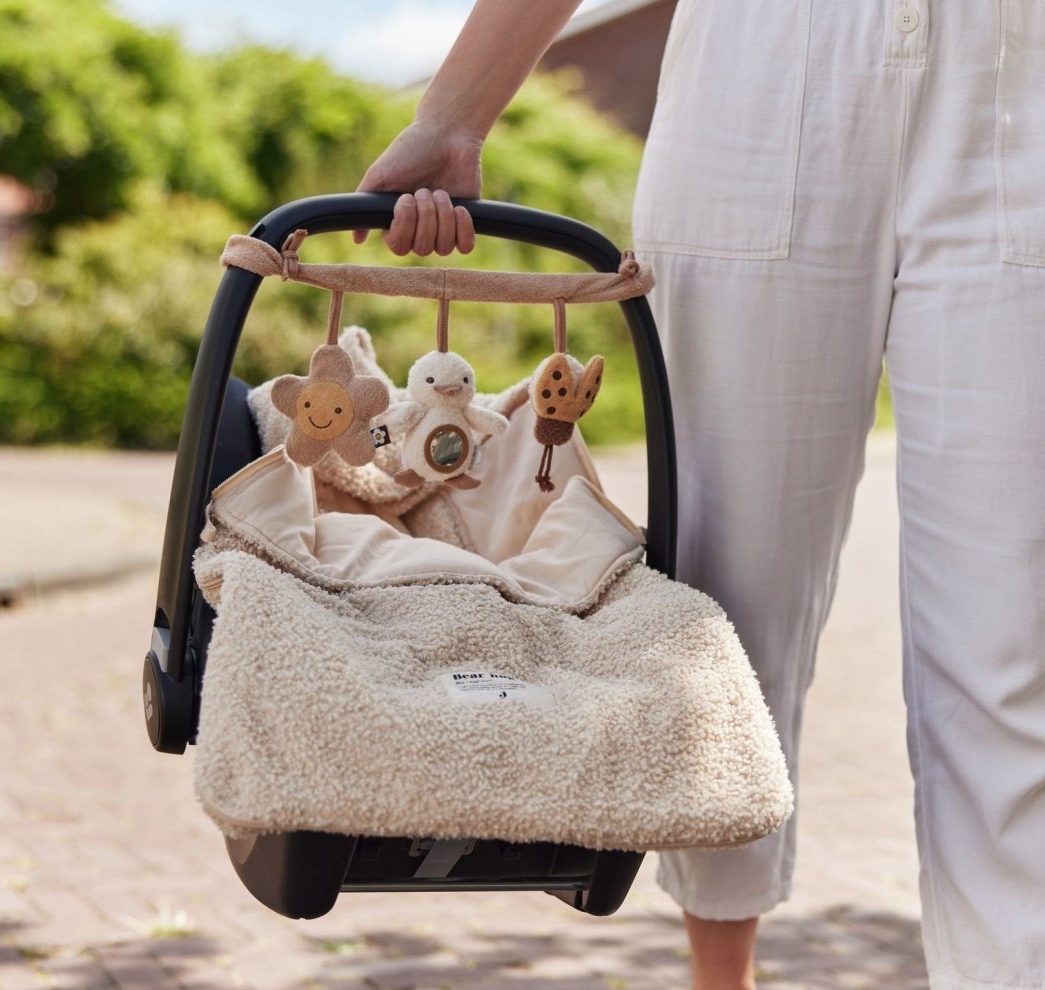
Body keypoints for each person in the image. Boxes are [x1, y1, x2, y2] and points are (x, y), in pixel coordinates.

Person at [353, 1, 1045, 988]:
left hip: (1017, 83)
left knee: (1011, 639)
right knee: (730, 618)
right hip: (764, 85)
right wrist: (454, 114)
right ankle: (723, 979)